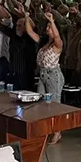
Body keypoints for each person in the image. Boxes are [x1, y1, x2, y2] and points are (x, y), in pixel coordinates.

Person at [26, 12, 65, 143]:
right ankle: (45, 128)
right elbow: (30, 32)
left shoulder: (58, 44)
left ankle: (57, 132)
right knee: (41, 103)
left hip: (53, 75)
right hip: (43, 74)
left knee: (54, 105)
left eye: (50, 27)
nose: (47, 29)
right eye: (47, 27)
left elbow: (57, 35)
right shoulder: (44, 42)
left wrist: (52, 21)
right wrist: (26, 16)